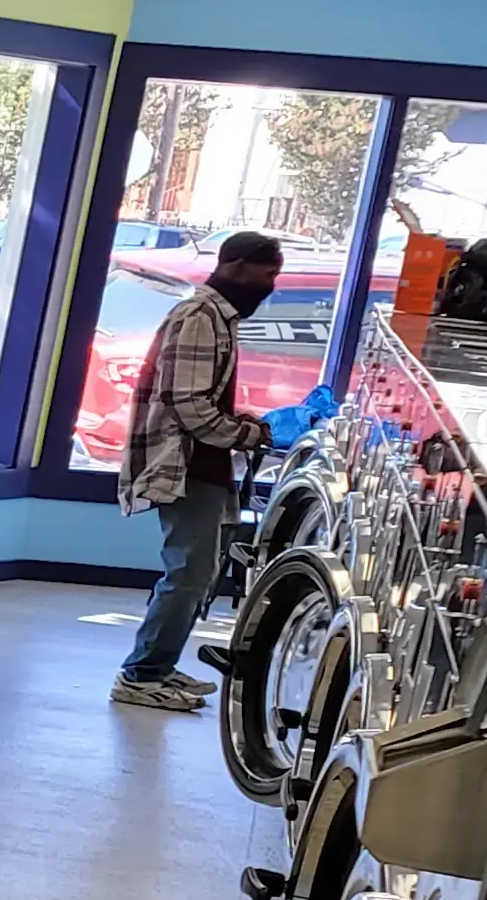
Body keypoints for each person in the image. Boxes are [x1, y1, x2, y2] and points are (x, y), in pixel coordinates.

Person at [115, 229, 333, 711]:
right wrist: (256, 435)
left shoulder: (219, 318)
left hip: (204, 463)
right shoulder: (200, 317)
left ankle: (159, 664)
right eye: (266, 274)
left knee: (200, 570)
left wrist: (247, 427)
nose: (270, 285)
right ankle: (141, 674)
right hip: (183, 462)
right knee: (188, 572)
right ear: (234, 266)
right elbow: (190, 407)